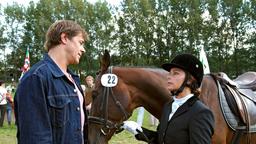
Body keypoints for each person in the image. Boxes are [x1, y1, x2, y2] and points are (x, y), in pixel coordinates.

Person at [14, 20, 89, 144]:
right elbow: (35, 138)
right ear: (64, 38)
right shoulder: (35, 78)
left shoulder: (73, 79)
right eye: (80, 43)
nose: (83, 49)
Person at [122, 53, 215, 144]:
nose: (169, 77)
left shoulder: (200, 113)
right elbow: (160, 138)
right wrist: (139, 130)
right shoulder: (168, 106)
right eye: (169, 73)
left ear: (190, 80)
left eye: (175, 73)